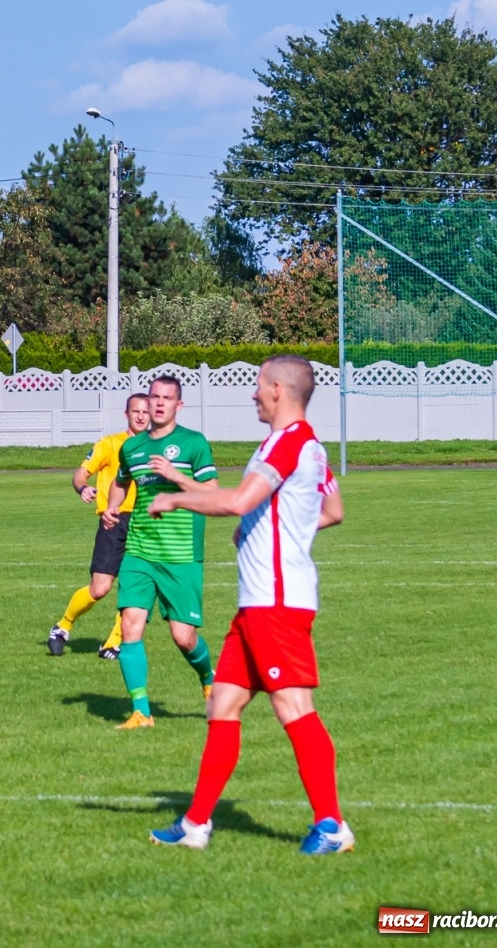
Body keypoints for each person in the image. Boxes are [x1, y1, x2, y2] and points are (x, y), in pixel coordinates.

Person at [148, 356, 351, 854]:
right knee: (224, 702)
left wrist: (175, 499)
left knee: (293, 706)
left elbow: (238, 500)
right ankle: (196, 824)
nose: (253, 393)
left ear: (278, 389)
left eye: (259, 385)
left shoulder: (289, 442)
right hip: (257, 604)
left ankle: (332, 825)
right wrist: (269, 524)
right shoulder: (309, 445)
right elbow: (331, 510)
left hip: (276, 604)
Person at [102, 375, 219, 729]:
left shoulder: (193, 443)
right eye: (154, 397)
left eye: (167, 398)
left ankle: (209, 680)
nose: (159, 403)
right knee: (130, 625)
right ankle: (141, 712)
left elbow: (212, 492)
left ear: (178, 405)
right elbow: (122, 482)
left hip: (181, 553)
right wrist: (112, 508)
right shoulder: (133, 448)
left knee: (183, 637)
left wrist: (175, 475)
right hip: (139, 550)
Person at [48, 393, 151, 658]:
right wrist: (82, 488)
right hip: (113, 521)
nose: (140, 416)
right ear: (126, 414)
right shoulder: (110, 444)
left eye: (145, 412)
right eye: (135, 411)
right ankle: (62, 626)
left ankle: (115, 642)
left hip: (143, 523)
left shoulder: (156, 447)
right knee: (100, 588)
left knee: (133, 585)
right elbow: (80, 474)